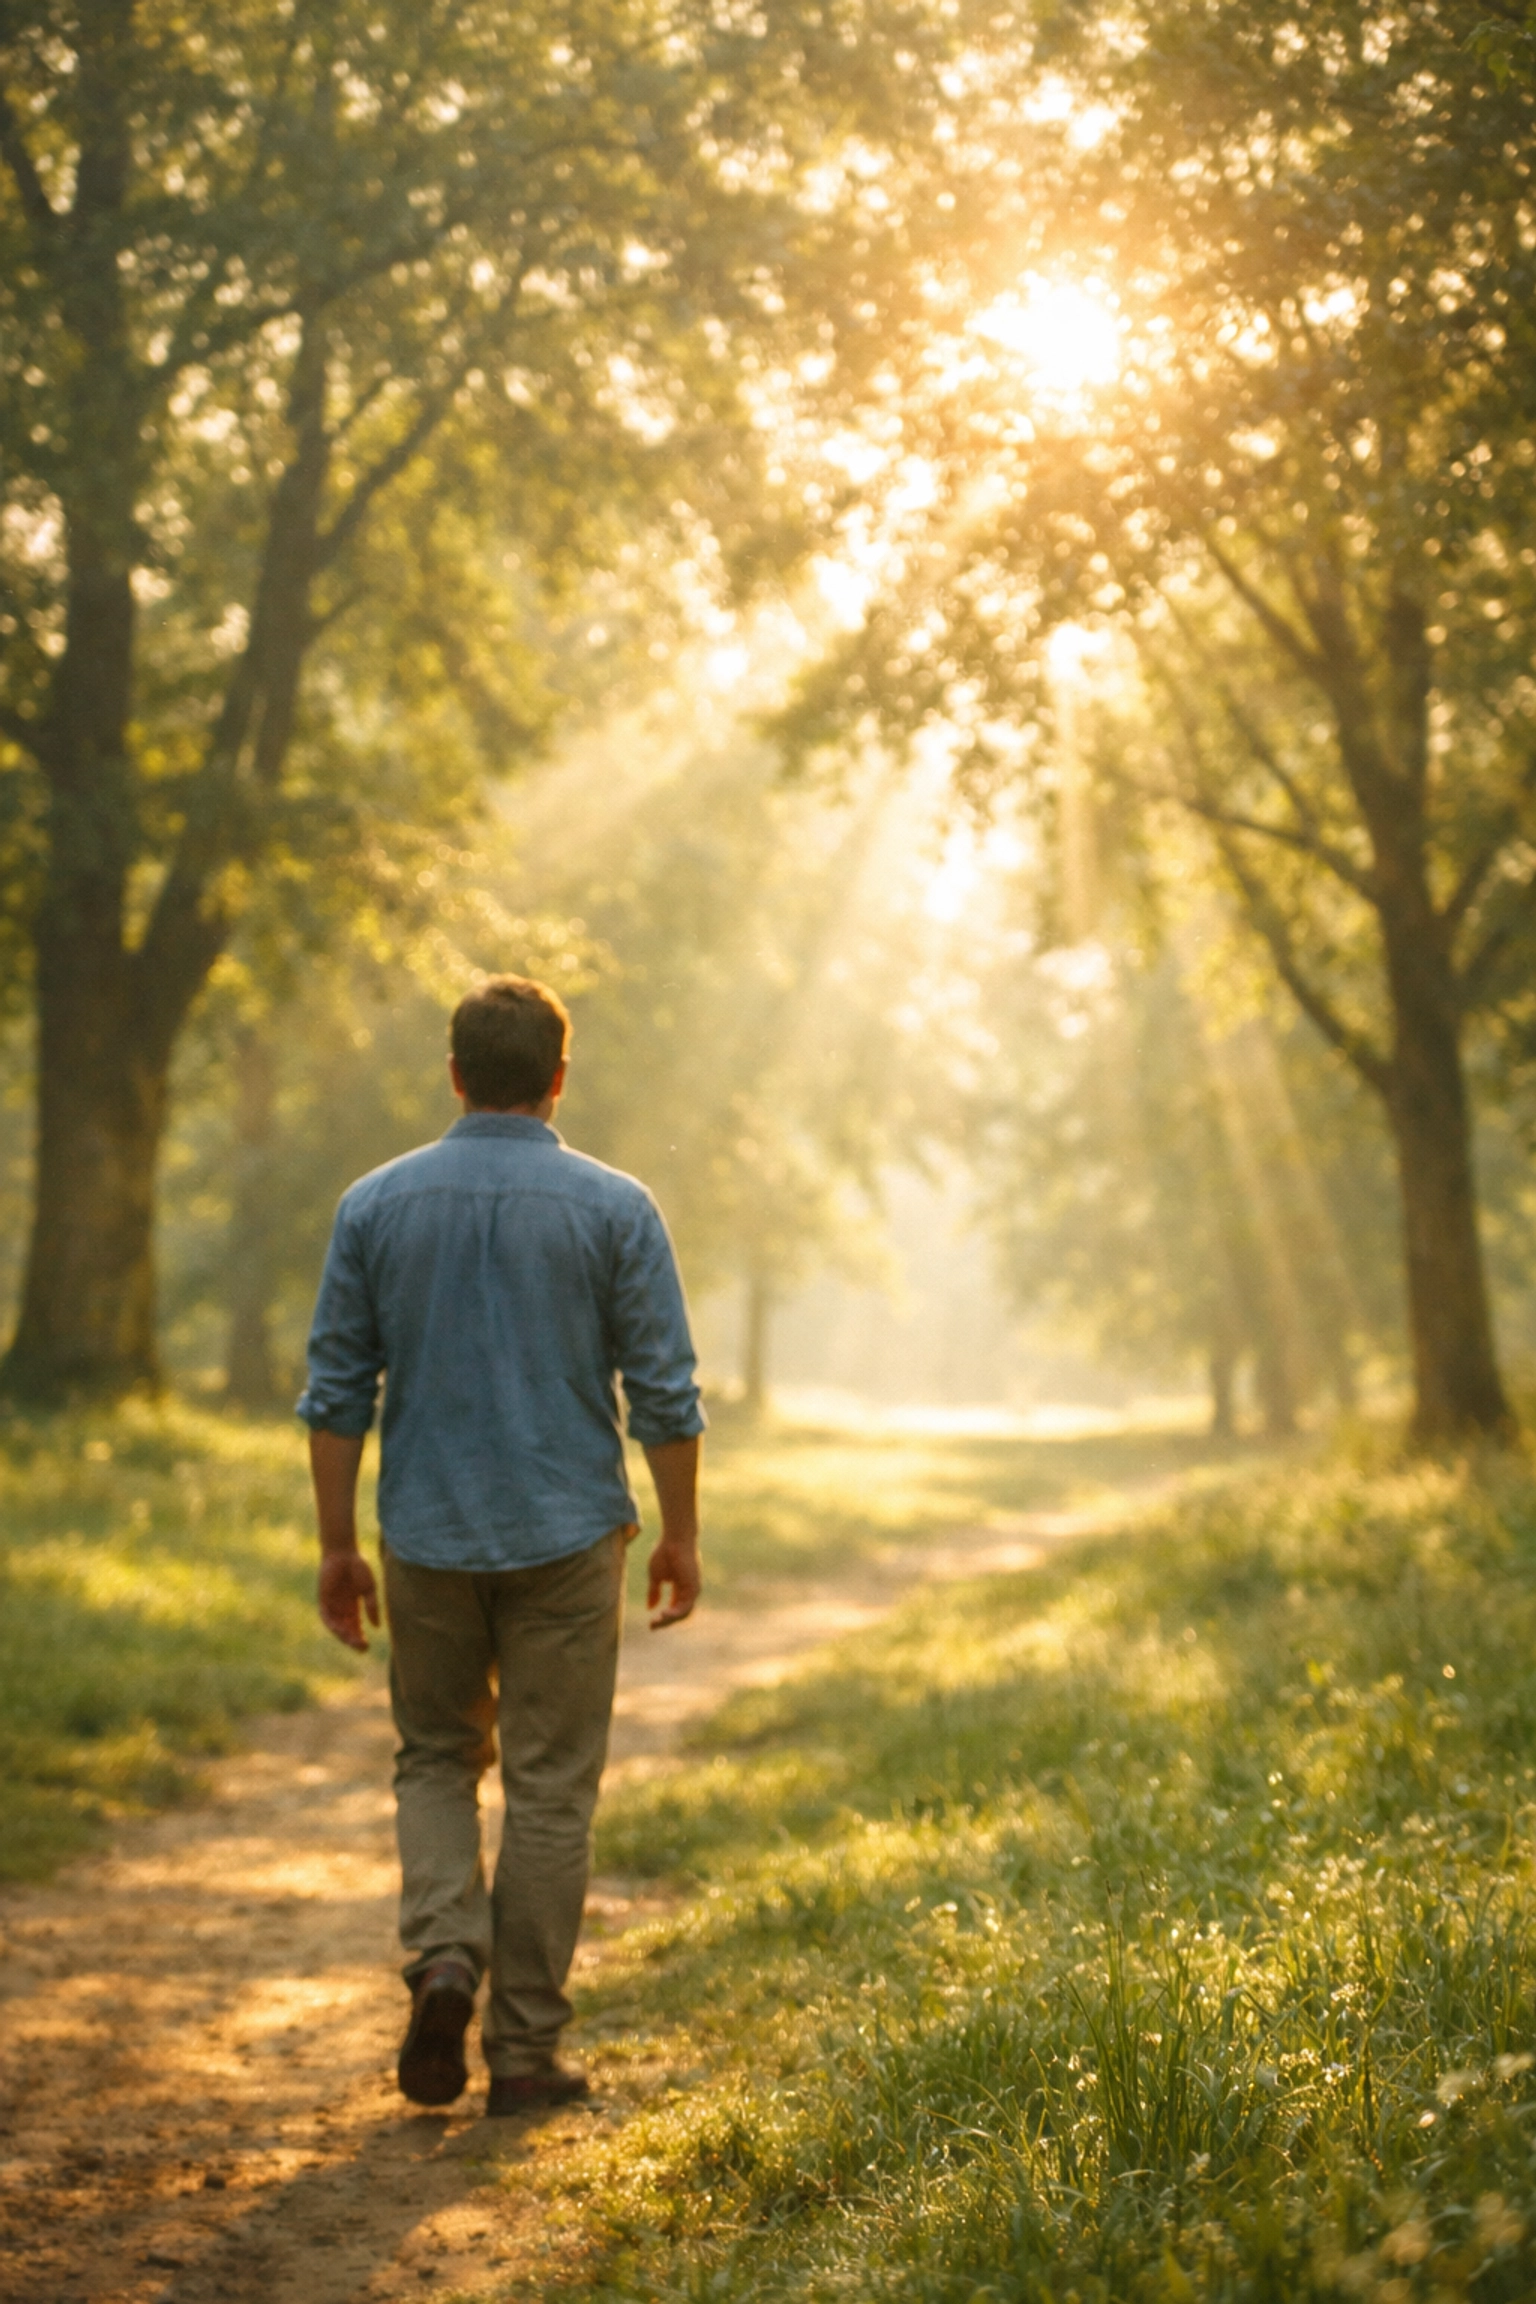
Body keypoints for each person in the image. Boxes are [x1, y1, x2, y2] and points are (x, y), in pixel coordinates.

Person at [297, 973, 704, 2116]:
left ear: (456, 1074)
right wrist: (681, 1534)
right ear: (560, 1078)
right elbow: (665, 1393)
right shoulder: (617, 1208)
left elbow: (336, 1394)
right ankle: (524, 2054)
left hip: (425, 1534)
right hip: (570, 1535)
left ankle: (441, 1957)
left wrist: (340, 1546)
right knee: (549, 1791)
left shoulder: (374, 1206)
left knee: (434, 1758)